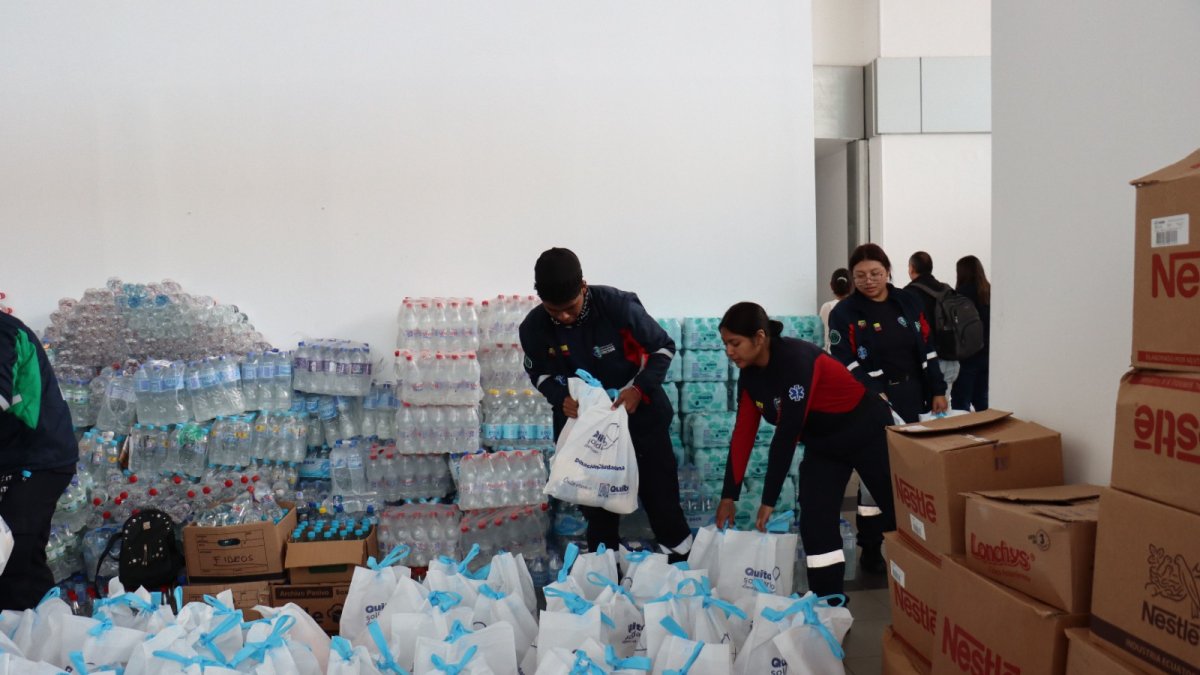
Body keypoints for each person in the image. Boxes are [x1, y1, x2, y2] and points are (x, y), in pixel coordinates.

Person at [519, 248, 693, 561]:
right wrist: (561, 399)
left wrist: (639, 389)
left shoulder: (617, 306)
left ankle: (681, 577)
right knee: (598, 512)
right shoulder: (534, 327)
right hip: (587, 431)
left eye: (570, 308)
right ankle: (606, 583)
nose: (564, 317)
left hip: (639, 417)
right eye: (553, 310)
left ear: (583, 287)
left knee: (661, 502)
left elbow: (662, 348)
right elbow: (539, 373)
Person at [714, 302, 896, 599]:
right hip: (824, 444)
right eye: (725, 344)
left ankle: (923, 584)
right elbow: (743, 434)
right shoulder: (749, 377)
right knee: (816, 522)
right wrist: (728, 496)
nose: (729, 352)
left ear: (759, 337)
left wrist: (768, 499)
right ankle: (828, 604)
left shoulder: (796, 361)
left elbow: (787, 433)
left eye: (735, 343)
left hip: (866, 430)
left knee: (895, 511)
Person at [828, 243, 946, 573]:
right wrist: (873, 391)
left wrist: (938, 389)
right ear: (852, 277)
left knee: (914, 468)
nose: (869, 281)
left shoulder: (908, 300)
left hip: (913, 396)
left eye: (876, 273)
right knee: (876, 472)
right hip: (871, 401)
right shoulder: (845, 312)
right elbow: (845, 361)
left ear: (888, 271)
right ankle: (871, 543)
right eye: (861, 275)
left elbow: (927, 347)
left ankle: (913, 535)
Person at [1, 311, 78, 610]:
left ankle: (32, 641)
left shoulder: (4, 332)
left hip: (36, 460)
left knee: (14, 555)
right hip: (13, 456)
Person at [904, 251, 960, 399]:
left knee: (923, 415)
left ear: (912, 268)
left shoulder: (908, 294)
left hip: (925, 363)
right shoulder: (946, 290)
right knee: (943, 410)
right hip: (951, 358)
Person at [951, 255, 990, 411]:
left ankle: (963, 434)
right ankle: (987, 432)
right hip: (987, 354)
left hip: (966, 356)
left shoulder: (959, 296)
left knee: (961, 402)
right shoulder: (989, 292)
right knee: (981, 399)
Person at [818, 268, 851, 353]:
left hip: (834, 355)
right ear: (851, 286)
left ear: (831, 285)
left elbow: (824, 336)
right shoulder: (858, 306)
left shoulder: (828, 306)